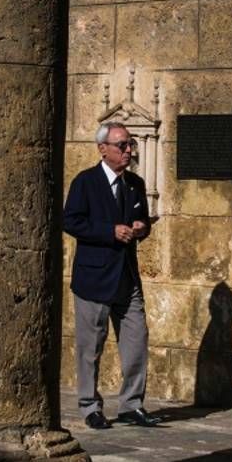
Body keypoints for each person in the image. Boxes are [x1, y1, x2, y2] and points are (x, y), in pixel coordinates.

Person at [64, 121, 162, 429]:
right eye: (122, 145)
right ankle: (90, 406)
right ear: (103, 149)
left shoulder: (135, 183)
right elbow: (71, 221)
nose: (128, 150)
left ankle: (132, 404)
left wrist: (141, 228)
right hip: (94, 279)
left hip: (127, 278)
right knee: (90, 347)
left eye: (130, 144)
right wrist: (109, 231)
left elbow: (142, 218)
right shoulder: (85, 182)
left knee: (136, 340)